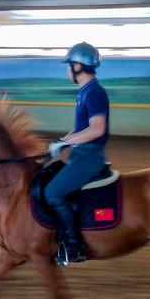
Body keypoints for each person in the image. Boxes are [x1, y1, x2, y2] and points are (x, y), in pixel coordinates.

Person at [45, 42, 110, 265]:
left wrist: (65, 144)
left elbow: (97, 128)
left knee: (53, 192)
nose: (67, 70)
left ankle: (74, 246)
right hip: (80, 154)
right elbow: (81, 129)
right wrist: (62, 141)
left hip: (89, 156)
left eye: (68, 65)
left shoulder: (93, 92)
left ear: (77, 66)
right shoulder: (84, 92)